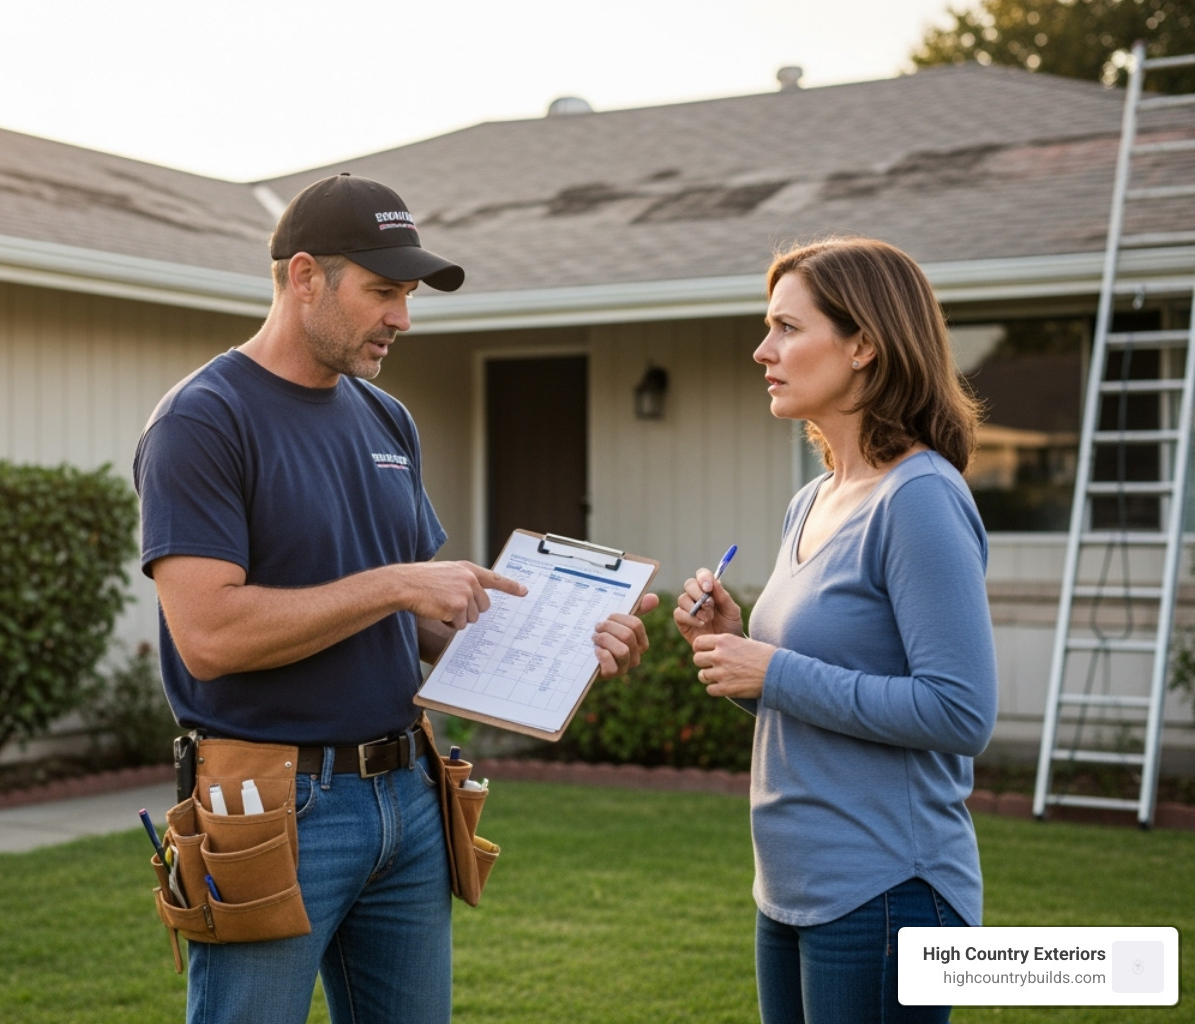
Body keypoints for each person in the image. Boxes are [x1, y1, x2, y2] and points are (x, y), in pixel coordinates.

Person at [133, 173, 658, 1024]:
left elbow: (421, 625)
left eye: (407, 296)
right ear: (305, 277)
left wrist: (566, 652)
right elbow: (210, 636)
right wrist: (395, 583)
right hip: (274, 809)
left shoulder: (388, 420)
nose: (402, 320)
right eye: (382, 292)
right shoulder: (205, 420)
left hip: (409, 796)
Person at [675, 237, 997, 1024]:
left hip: (890, 891)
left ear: (864, 345)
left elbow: (960, 712)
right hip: (791, 888)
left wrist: (773, 671)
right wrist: (735, 649)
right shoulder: (813, 499)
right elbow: (813, 702)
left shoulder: (918, 498)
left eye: (788, 327)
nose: (763, 350)